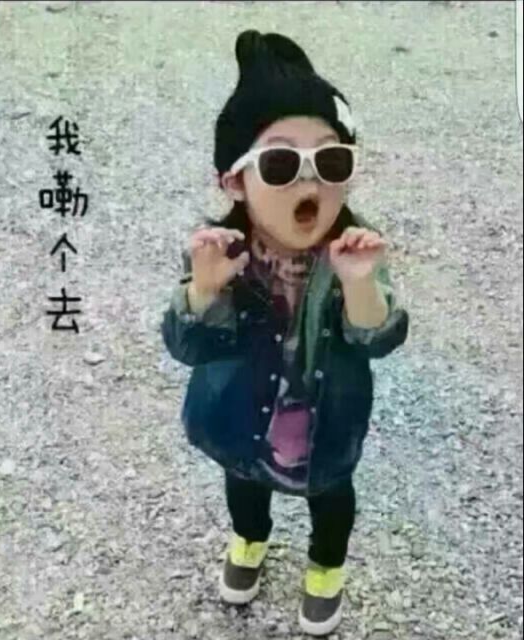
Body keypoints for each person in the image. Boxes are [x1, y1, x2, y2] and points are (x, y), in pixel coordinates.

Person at [161, 29, 409, 637]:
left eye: (331, 161)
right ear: (234, 182)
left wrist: (360, 286)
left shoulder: (356, 250)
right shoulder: (219, 253)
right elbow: (186, 347)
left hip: (328, 424)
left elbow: (378, 340)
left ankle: (326, 568)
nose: (310, 185)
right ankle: (250, 539)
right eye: (279, 164)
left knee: (331, 497)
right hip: (240, 419)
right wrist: (204, 291)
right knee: (245, 485)